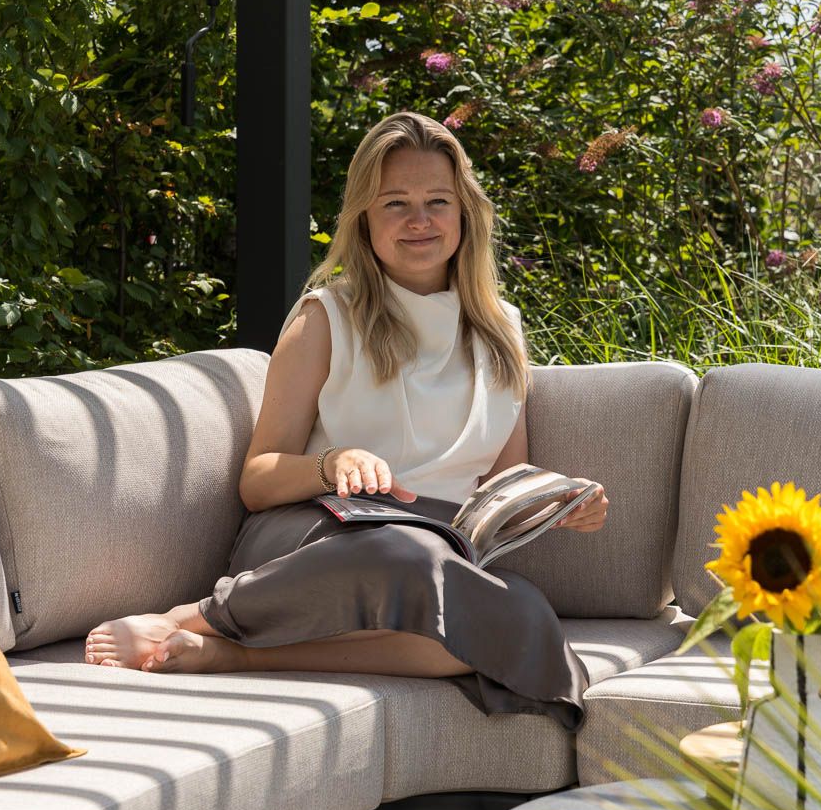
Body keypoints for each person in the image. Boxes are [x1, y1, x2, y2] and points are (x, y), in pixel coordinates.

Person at [84, 110, 608, 730]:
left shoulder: (501, 329)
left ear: (465, 213)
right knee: (407, 554)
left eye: (437, 201)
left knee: (518, 615)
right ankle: (190, 616)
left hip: (435, 550)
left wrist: (557, 501)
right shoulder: (325, 318)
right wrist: (332, 465)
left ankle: (230, 654)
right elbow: (258, 480)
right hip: (321, 533)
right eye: (395, 204)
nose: (420, 220)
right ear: (364, 217)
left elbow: (502, 478)